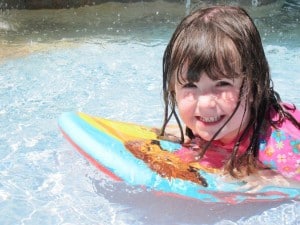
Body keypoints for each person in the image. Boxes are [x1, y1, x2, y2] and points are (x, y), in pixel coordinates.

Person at [159, 5, 300, 181]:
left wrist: (274, 181)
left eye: (222, 84)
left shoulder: (282, 144)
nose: (205, 103)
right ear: (173, 88)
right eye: (190, 85)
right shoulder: (216, 122)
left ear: (253, 86)